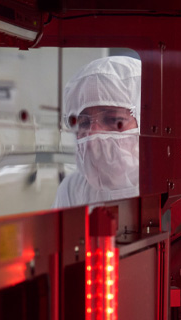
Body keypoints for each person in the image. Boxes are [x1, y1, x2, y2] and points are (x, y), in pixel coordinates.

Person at [54, 56, 141, 209]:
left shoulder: (170, 188)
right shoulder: (73, 189)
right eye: (84, 123)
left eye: (114, 120)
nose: (93, 135)